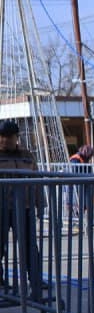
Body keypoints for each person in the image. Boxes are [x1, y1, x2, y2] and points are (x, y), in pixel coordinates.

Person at [0, 120, 43, 301]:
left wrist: (40, 205)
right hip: (1, 209)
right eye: (2, 137)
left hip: (24, 209)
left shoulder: (27, 156)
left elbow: (37, 181)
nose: (5, 140)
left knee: (30, 248)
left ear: (17, 137)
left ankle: (36, 284)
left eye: (9, 136)